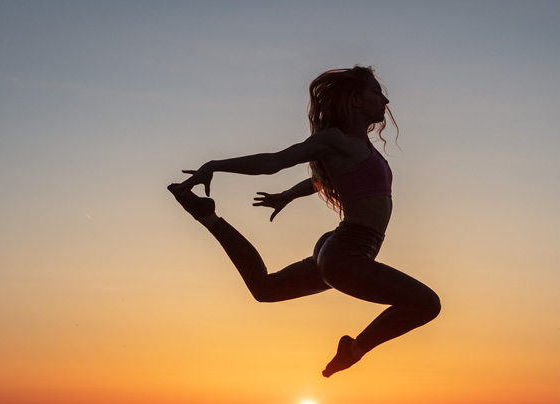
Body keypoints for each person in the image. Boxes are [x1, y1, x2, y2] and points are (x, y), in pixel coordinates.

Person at [169, 66, 440, 377]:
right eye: (376, 92)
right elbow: (274, 161)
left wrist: (288, 194)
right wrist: (214, 165)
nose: (386, 101)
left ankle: (208, 217)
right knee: (426, 303)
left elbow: (322, 180)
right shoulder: (335, 139)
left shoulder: (359, 146)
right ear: (354, 100)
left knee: (264, 289)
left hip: (342, 250)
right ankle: (353, 350)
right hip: (346, 254)